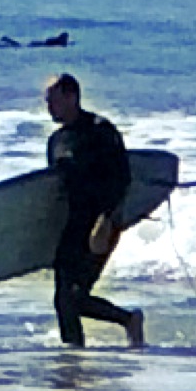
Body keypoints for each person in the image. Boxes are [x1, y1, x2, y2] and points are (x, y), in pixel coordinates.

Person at [43, 73, 144, 349]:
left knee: (73, 297)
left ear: (72, 97)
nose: (49, 108)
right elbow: (55, 189)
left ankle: (128, 320)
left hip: (101, 223)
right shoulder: (56, 141)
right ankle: (73, 358)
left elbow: (121, 179)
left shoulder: (100, 131)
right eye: (47, 102)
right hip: (72, 225)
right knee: (63, 300)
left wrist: (106, 220)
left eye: (53, 101)